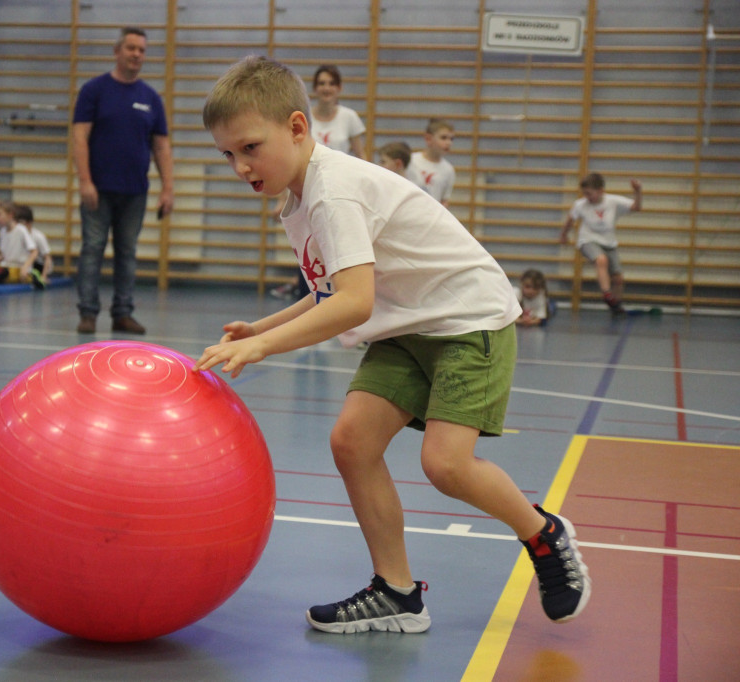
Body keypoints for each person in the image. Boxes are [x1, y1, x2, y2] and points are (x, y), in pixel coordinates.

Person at [198, 56, 591, 634]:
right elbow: (331, 287)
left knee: (445, 463)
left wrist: (267, 348)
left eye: (250, 148)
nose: (240, 166)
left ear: (298, 127)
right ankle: (396, 592)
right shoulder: (296, 195)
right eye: (228, 155)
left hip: (466, 320)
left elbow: (353, 304)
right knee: (353, 442)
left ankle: (544, 534)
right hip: (406, 325)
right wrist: (263, 327)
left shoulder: (333, 192)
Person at [71, 26, 174, 335]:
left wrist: (168, 188)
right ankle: (88, 314)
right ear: (117, 51)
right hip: (98, 190)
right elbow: (80, 137)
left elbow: (161, 146)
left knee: (127, 254)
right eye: (131, 48)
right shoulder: (94, 90)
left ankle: (122, 313)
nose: (136, 54)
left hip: (135, 191)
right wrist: (85, 180)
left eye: (141, 50)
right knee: (92, 249)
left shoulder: (150, 98)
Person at [271, 65, 367, 302]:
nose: (326, 88)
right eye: (322, 83)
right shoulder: (305, 117)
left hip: (338, 192)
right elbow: (290, 158)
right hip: (306, 191)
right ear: (315, 88)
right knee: (308, 248)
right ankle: (309, 298)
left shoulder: (350, 118)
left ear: (339, 88)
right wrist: (282, 200)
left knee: (338, 248)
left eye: (331, 83)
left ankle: (341, 301)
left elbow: (361, 156)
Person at [560, 173, 642, 314]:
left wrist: (638, 191)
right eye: (584, 194)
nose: (587, 197)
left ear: (601, 191)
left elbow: (636, 207)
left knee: (618, 279)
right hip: (587, 240)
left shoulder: (612, 201)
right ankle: (607, 294)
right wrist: (564, 235)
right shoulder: (580, 205)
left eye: (590, 194)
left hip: (609, 243)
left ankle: (616, 306)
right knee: (601, 260)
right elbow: (570, 220)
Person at [405, 118, 456, 206]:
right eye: (443, 138)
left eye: (451, 139)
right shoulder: (410, 161)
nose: (448, 143)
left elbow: (444, 201)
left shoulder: (448, 170)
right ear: (428, 139)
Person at [0, 202, 37, 284]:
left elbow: (34, 252)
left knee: (1, 272)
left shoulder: (21, 230)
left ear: (10, 215)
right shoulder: (2, 231)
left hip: (18, 268)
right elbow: (5, 254)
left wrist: (25, 267)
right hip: (8, 267)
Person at [16, 204, 51, 289]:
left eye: (21, 224)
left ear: (29, 223)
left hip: (38, 265)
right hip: (25, 263)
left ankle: (36, 275)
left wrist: (44, 275)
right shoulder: (18, 235)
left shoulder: (38, 236)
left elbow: (47, 258)